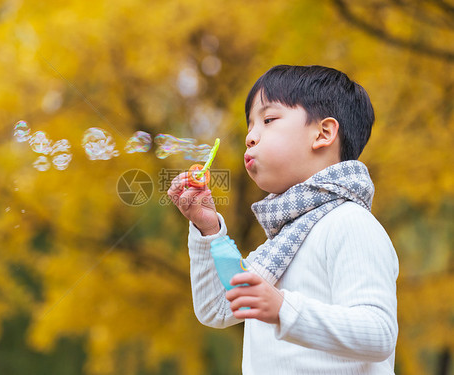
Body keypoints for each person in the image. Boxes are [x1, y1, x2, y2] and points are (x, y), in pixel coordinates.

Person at [168, 65, 399, 374]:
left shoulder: (350, 223)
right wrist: (208, 229)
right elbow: (218, 307)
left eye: (268, 120)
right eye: (250, 125)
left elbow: (379, 332)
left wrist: (283, 309)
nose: (250, 137)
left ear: (323, 133)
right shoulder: (282, 241)